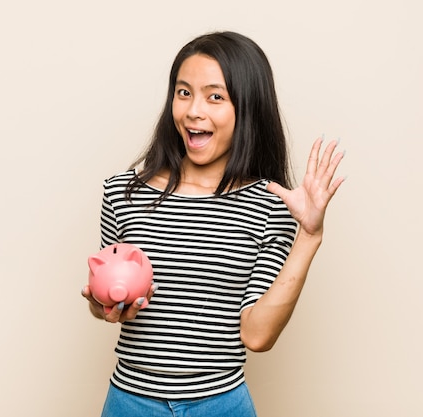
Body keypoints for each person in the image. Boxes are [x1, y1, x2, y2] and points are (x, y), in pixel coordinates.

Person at [81, 31, 345, 417]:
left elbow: (257, 335)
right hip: (129, 402)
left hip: (221, 405)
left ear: (247, 108)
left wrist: (309, 235)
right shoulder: (123, 193)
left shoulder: (270, 205)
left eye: (215, 96)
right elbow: (106, 300)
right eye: (183, 92)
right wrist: (104, 304)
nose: (192, 111)